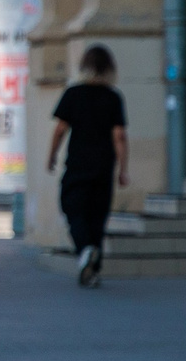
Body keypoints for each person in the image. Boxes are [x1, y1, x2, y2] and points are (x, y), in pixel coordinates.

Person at [47, 45, 129, 287]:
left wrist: (51, 155)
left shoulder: (73, 93)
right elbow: (119, 136)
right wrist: (123, 169)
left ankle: (85, 250)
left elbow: (61, 129)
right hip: (104, 166)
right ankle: (92, 269)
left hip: (78, 164)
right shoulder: (113, 97)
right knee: (97, 216)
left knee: (72, 207)